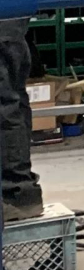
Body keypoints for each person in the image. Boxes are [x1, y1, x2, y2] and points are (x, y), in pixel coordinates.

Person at [0, 15, 43, 222]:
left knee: (5, 105)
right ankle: (21, 192)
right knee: (12, 101)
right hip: (11, 21)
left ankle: (15, 193)